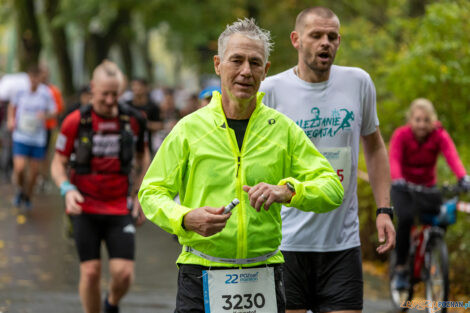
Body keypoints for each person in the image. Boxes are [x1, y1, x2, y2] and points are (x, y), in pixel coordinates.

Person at [138, 18, 344, 313]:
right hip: (201, 272)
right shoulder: (189, 129)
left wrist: (288, 191)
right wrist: (184, 218)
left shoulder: (282, 129)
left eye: (255, 63)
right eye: (237, 60)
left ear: (266, 70)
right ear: (218, 64)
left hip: (263, 274)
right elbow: (151, 192)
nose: (246, 71)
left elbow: (332, 188)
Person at [260, 7, 395, 313]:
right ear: (296, 39)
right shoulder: (271, 91)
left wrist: (384, 210)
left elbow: (374, 147)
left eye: (332, 37)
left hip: (341, 244)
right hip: (285, 245)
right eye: (316, 35)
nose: (326, 43)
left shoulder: (358, 82)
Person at [51, 60, 149, 313]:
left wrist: (139, 194)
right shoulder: (75, 121)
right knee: (91, 271)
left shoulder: (134, 120)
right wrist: (66, 189)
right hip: (85, 206)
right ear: (92, 88)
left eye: (115, 94)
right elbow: (58, 164)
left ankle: (112, 303)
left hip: (119, 207)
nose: (109, 100)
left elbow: (143, 158)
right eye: (104, 93)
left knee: (124, 274)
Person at [389, 98, 470, 290]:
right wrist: (398, 178)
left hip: (427, 187)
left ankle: (431, 249)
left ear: (432, 120)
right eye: (418, 119)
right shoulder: (401, 135)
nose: (422, 124)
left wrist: (463, 177)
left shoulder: (439, 135)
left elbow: (452, 156)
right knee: (406, 218)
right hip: (403, 188)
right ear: (411, 120)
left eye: (426, 120)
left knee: (441, 219)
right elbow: (394, 159)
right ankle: (400, 268)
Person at [7, 65, 57, 210]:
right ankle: (20, 191)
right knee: (20, 168)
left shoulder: (46, 93)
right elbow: (12, 105)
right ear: (28, 77)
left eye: (37, 78)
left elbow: (54, 111)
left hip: (37, 137)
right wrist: (11, 119)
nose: (34, 80)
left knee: (34, 172)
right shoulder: (21, 90)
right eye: (32, 77)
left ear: (40, 78)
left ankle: (28, 196)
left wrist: (45, 115)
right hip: (21, 135)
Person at [125, 78, 162, 156]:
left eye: (139, 85)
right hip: (129, 146)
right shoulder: (126, 106)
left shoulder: (153, 106)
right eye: (134, 85)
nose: (136, 88)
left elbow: (159, 125)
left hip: (147, 146)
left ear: (146, 88)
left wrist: (144, 123)